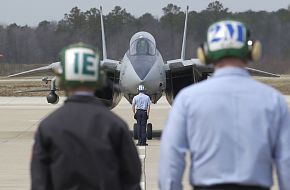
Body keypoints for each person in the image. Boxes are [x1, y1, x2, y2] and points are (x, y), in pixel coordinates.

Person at [159, 20, 290, 190]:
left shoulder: (188, 100)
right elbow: (286, 162)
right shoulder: (273, 101)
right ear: (252, 51)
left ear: (205, 53)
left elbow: (171, 162)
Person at [31, 43, 141, 190]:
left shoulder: (47, 127)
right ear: (97, 79)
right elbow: (131, 180)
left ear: (63, 80)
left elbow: (40, 183)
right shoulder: (115, 126)